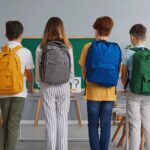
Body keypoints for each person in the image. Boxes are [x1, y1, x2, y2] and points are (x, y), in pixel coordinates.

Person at [79, 16, 121, 150]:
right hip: (109, 94)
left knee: (92, 125)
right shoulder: (115, 48)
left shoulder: (88, 47)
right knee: (106, 125)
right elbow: (118, 71)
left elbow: (84, 72)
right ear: (110, 31)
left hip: (93, 94)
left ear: (96, 30)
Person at [36, 17, 74, 150]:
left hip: (47, 87)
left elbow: (38, 76)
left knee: (50, 122)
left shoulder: (41, 48)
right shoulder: (68, 47)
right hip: (64, 87)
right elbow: (71, 73)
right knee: (62, 121)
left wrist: (42, 84)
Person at [0, 21, 34, 150]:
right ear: (21, 36)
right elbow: (29, 74)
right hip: (19, 92)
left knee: (3, 123)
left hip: (2, 92)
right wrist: (30, 88)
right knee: (13, 124)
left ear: (5, 34)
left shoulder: (1, 51)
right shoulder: (25, 51)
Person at [121, 24, 150, 150]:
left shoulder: (127, 53)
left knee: (135, 125)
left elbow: (123, 75)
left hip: (133, 93)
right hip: (148, 93)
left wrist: (126, 87)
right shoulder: (149, 53)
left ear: (132, 37)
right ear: (145, 37)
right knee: (148, 124)